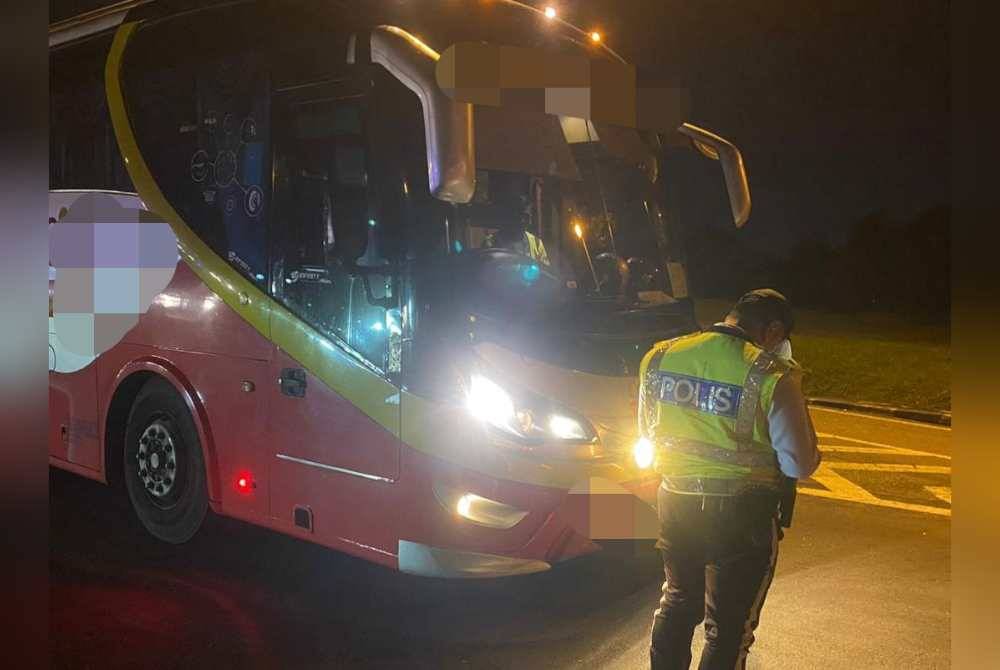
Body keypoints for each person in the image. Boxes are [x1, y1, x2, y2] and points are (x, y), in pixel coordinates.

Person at [639, 289, 821, 670]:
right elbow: (799, 465)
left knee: (676, 601)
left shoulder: (659, 357)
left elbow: (648, 431)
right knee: (728, 630)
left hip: (675, 500)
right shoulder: (772, 374)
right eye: (782, 338)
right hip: (742, 513)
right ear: (772, 330)